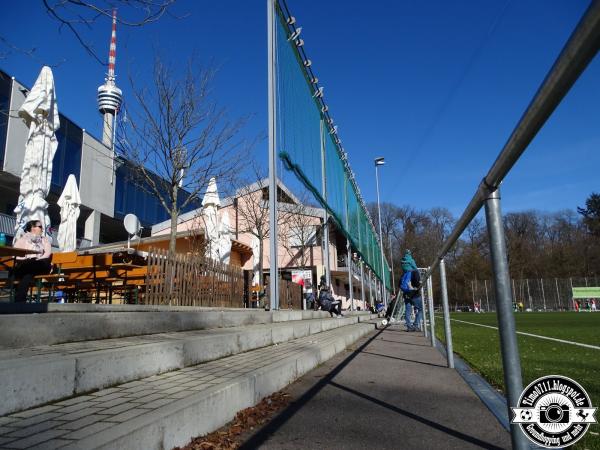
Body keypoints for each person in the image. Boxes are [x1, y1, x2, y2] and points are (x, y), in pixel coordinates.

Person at [12, 220, 52, 303]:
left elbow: (47, 254)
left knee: (31, 265)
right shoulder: (23, 239)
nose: (42, 229)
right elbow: (15, 254)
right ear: (32, 228)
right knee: (27, 275)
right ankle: (20, 300)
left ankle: (19, 300)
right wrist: (27, 261)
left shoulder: (44, 239)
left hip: (40, 265)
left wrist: (36, 260)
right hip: (28, 266)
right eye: (40, 227)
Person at [400, 250, 422, 332]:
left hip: (406, 294)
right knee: (421, 309)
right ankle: (415, 325)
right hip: (414, 294)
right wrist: (418, 285)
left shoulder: (404, 273)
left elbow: (400, 284)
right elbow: (417, 283)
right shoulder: (415, 272)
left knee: (408, 311)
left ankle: (409, 327)